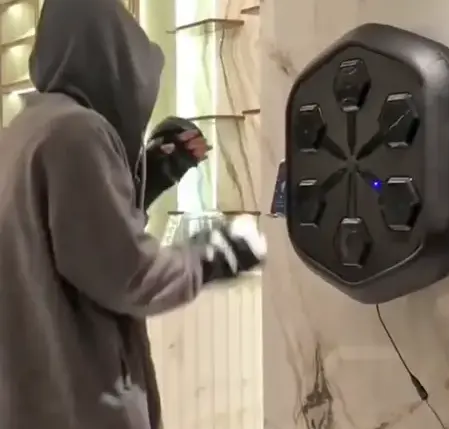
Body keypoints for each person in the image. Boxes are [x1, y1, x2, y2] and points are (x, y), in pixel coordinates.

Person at [0, 0, 266, 428]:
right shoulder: (77, 133)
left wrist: (154, 174)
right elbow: (128, 275)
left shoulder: (26, 130)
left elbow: (78, 240)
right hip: (81, 406)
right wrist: (217, 254)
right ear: (113, 62)